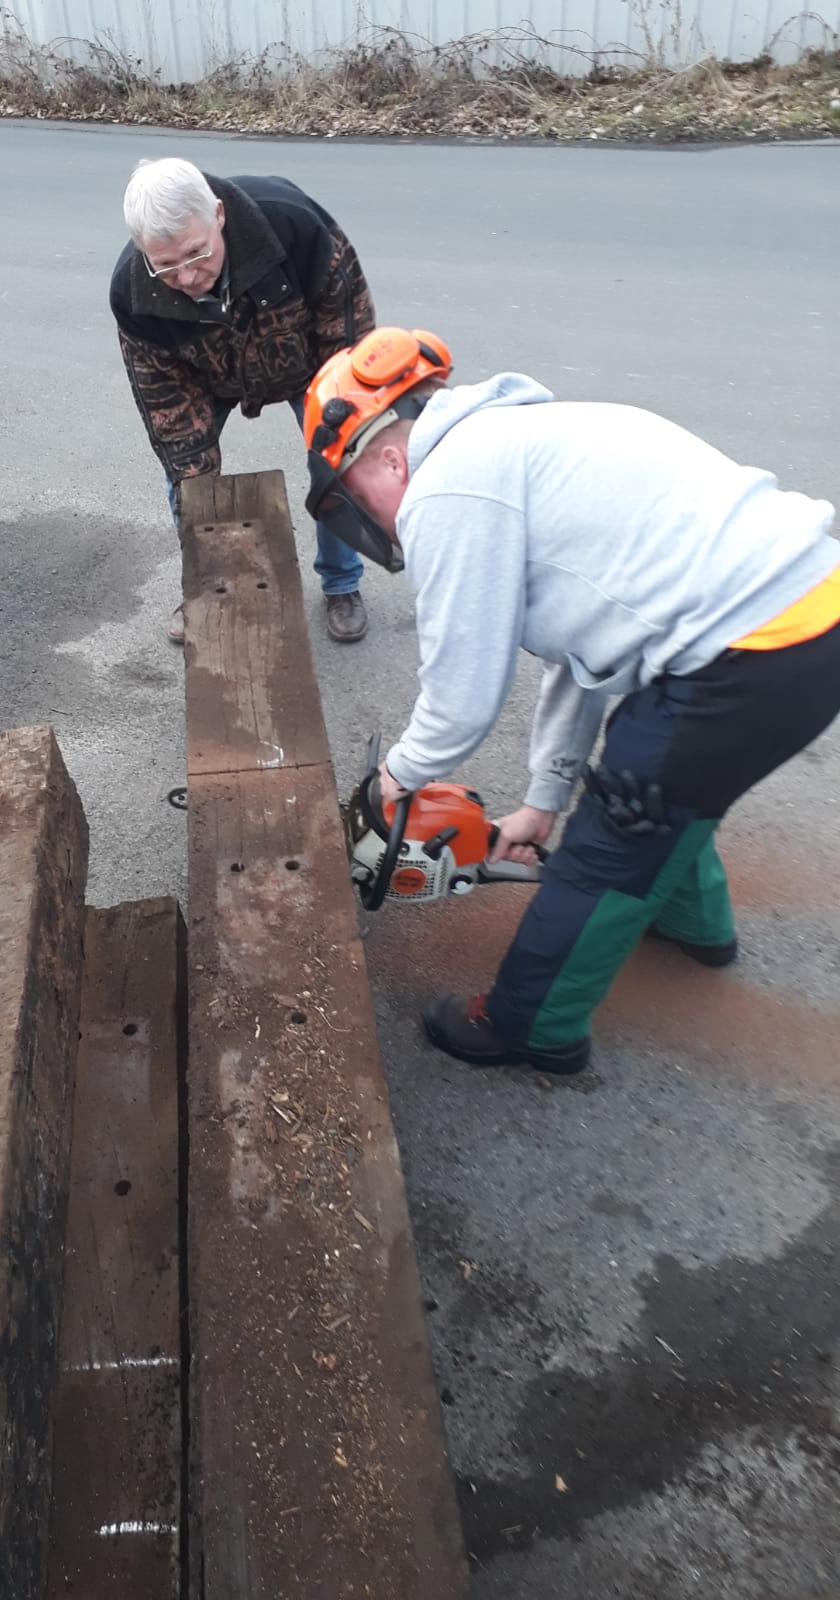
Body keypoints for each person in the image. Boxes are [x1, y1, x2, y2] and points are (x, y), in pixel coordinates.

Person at [303, 326, 840, 1075]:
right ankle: (695, 925)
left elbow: (462, 696)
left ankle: (531, 1026)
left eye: (355, 495)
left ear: (387, 458)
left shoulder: (449, 486)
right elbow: (582, 659)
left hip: (750, 653)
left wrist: (395, 778)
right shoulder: (518, 440)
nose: (368, 519)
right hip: (808, 618)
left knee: (610, 841)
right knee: (663, 787)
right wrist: (542, 800)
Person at [111, 157, 376, 645]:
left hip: (307, 361)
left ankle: (342, 584)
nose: (188, 278)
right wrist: (196, 479)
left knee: (341, 457)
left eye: (196, 254)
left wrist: (341, 422)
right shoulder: (133, 291)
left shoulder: (295, 226)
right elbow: (166, 403)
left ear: (218, 214)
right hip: (207, 374)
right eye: (166, 266)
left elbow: (349, 335)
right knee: (186, 482)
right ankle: (206, 588)